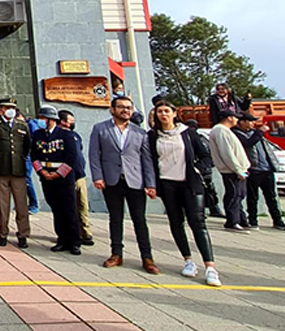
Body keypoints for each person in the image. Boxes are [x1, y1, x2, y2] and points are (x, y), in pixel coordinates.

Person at [148, 101, 221, 287]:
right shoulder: (153, 135)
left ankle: (210, 266)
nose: (163, 114)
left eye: (166, 111)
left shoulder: (188, 133)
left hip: (190, 183)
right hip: (167, 184)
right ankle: (188, 260)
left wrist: (197, 168)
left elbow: (206, 156)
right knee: (176, 222)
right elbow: (150, 160)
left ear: (174, 113)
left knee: (198, 223)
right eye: (159, 112)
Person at [89, 96, 160, 274]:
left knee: (140, 220)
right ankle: (116, 254)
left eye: (128, 107)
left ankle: (147, 257)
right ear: (112, 110)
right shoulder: (100, 129)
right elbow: (94, 155)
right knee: (115, 218)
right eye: (121, 107)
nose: (125, 110)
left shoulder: (140, 132)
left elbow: (147, 160)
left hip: (135, 181)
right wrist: (97, 176)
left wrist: (150, 183)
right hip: (111, 180)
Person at [31, 106, 82, 255]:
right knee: (56, 209)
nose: (41, 121)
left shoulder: (66, 135)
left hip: (63, 178)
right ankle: (62, 239)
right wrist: (42, 172)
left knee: (69, 209)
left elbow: (71, 157)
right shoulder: (38, 135)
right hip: (46, 177)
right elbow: (34, 155)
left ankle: (74, 241)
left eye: (43, 118)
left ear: (51, 120)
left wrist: (59, 173)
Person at [0, 97, 31, 248]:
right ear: (2, 109)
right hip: (0, 170)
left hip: (18, 171)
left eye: (13, 107)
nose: (10, 110)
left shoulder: (22, 125)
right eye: (7, 107)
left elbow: (26, 147)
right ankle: (3, 233)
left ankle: (23, 234)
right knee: (2, 205)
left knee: (21, 206)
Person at [231, 112, 285, 230]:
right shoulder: (237, 134)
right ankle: (253, 220)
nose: (253, 123)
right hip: (253, 170)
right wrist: (260, 132)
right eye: (250, 121)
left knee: (271, 197)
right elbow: (248, 143)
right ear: (242, 122)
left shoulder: (256, 133)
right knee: (253, 197)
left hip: (267, 169)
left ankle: (278, 220)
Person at [208, 109, 251, 233]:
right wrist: (238, 170)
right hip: (231, 170)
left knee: (239, 195)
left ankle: (241, 219)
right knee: (233, 195)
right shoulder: (220, 130)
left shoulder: (225, 131)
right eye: (235, 117)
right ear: (229, 118)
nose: (237, 120)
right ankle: (232, 221)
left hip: (237, 169)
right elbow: (227, 153)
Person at [58, 110, 93, 246]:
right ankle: (70, 234)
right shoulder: (58, 136)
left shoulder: (75, 135)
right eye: (70, 120)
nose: (72, 123)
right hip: (66, 177)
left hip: (80, 176)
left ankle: (86, 232)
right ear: (63, 121)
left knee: (83, 205)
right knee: (69, 207)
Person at [184, 119, 224, 218]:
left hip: (204, 169)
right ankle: (199, 210)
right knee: (196, 192)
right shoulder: (185, 138)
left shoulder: (201, 138)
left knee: (209, 191)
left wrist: (208, 165)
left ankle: (213, 209)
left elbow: (208, 153)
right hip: (193, 170)